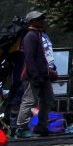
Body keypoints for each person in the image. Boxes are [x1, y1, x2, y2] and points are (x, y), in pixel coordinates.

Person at [15, 11, 56, 139]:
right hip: (33, 75)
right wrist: (34, 75)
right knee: (28, 101)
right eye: (39, 19)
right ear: (32, 22)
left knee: (48, 99)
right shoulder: (30, 36)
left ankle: (42, 126)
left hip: (44, 74)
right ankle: (21, 128)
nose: (42, 21)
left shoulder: (39, 35)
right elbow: (29, 58)